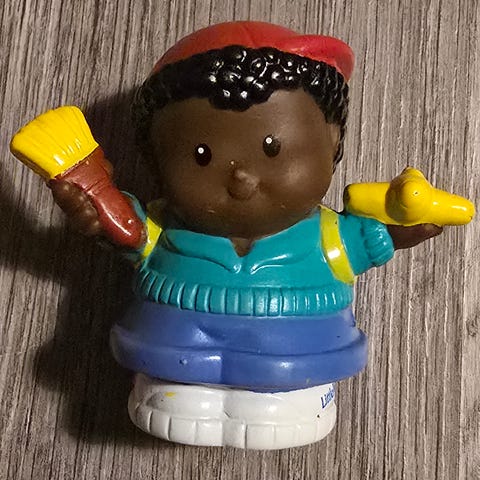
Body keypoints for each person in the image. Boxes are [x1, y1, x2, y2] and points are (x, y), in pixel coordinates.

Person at [50, 21, 443, 449]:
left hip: (294, 355)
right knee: (176, 403)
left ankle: (286, 402)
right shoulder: (163, 228)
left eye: (273, 148)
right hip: (174, 350)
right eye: (202, 156)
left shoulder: (328, 234)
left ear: (331, 140)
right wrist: (94, 207)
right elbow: (127, 232)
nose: (241, 178)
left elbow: (374, 239)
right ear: (157, 160)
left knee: (280, 406)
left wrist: (405, 228)